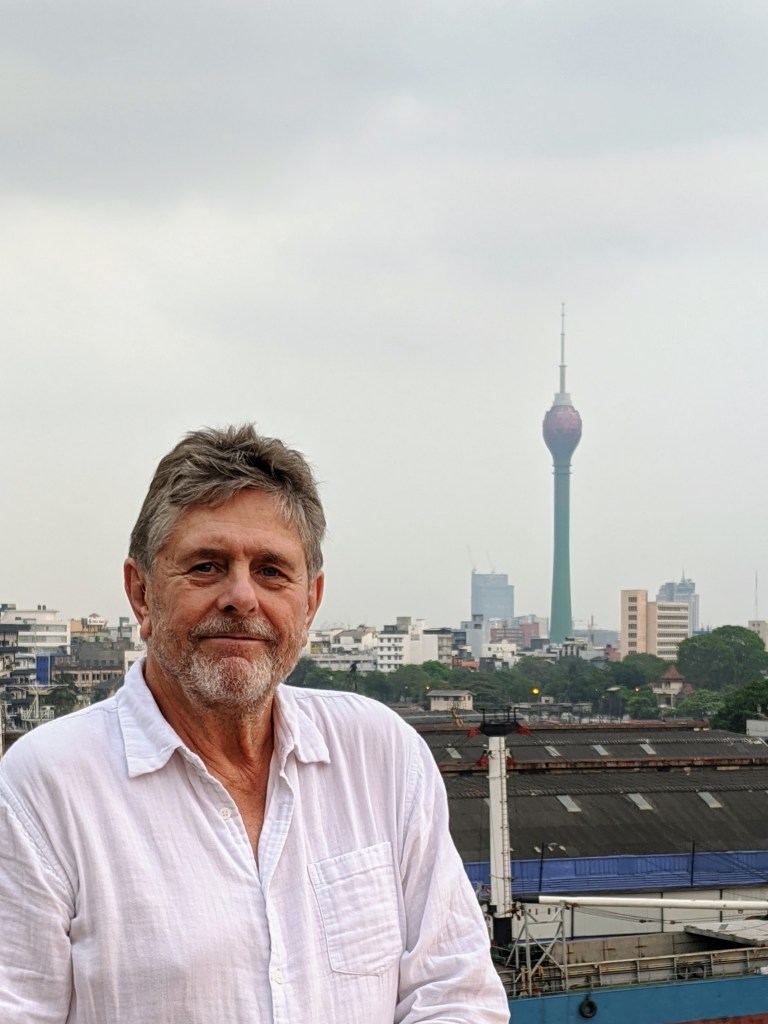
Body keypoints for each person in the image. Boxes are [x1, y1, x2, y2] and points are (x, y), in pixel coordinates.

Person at [0, 425, 509, 1024]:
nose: (241, 597)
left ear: (310, 602)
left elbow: (456, 993)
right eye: (206, 566)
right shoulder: (45, 787)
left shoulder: (380, 755)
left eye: (271, 571)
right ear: (141, 594)